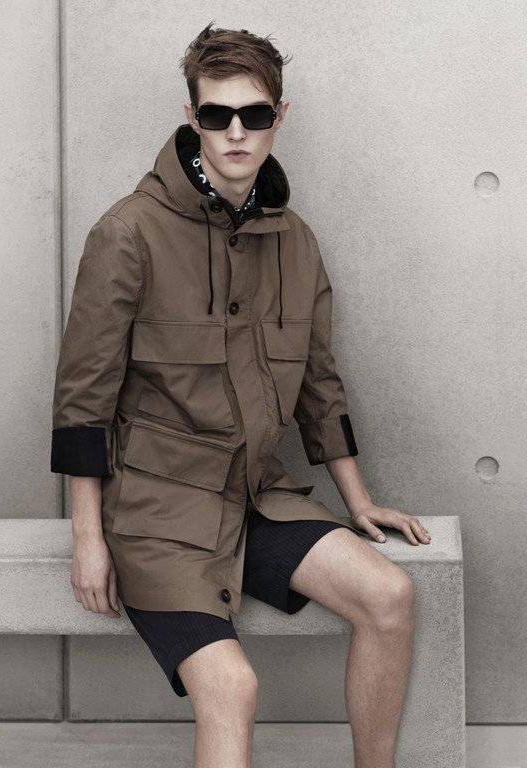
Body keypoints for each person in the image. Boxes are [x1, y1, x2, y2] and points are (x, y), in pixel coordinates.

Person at [51, 22, 431, 768]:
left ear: (278, 117)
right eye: (217, 113)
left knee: (390, 597)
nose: (235, 132)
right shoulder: (127, 234)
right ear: (192, 117)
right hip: (157, 518)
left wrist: (357, 500)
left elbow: (319, 383)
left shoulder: (297, 243)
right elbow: (82, 402)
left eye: (254, 114)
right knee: (232, 687)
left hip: (258, 498)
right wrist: (88, 540)